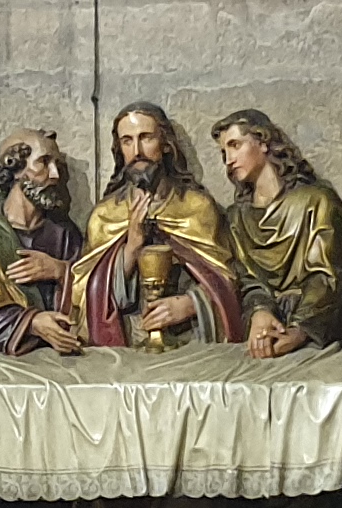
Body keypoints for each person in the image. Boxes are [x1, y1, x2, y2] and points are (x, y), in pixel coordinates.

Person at [69, 103, 242, 347]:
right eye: (127, 141)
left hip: (188, 341)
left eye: (146, 138)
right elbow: (87, 293)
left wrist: (190, 304)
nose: (137, 151)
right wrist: (132, 246)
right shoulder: (105, 215)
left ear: (166, 144)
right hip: (128, 341)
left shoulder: (196, 208)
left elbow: (227, 279)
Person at [213, 109, 342, 353]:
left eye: (235, 145)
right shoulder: (238, 218)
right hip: (269, 334)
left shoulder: (316, 201)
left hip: (321, 332)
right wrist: (260, 312)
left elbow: (329, 277)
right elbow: (248, 280)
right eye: (224, 152)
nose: (228, 160)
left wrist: (300, 330)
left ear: (263, 142)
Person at [0, 131, 87, 355]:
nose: (55, 175)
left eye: (57, 165)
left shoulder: (64, 232)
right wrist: (32, 323)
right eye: (44, 163)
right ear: (15, 169)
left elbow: (92, 299)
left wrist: (61, 271)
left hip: (59, 357)